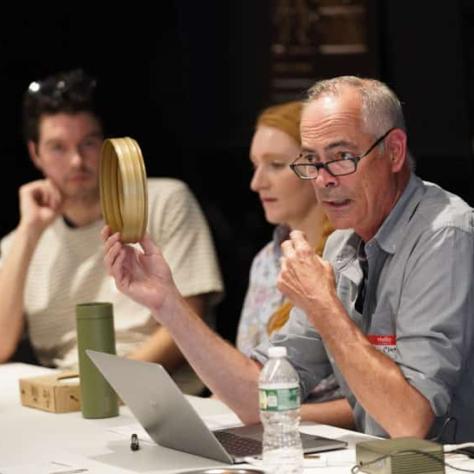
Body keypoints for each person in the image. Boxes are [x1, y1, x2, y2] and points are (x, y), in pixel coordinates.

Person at [102, 75, 474, 441]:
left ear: (393, 151)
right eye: (312, 160)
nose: (323, 179)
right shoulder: (342, 242)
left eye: (342, 157)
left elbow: (409, 423)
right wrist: (168, 303)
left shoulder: (445, 234)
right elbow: (258, 397)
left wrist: (324, 306)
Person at [0, 69, 223, 394]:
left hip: (160, 394)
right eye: (58, 147)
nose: (77, 161)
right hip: (68, 391)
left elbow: (188, 323)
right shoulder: (20, 241)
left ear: (107, 146)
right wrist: (28, 233)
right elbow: (2, 346)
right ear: (36, 154)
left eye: (88, 143)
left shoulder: (162, 200)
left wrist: (105, 388)